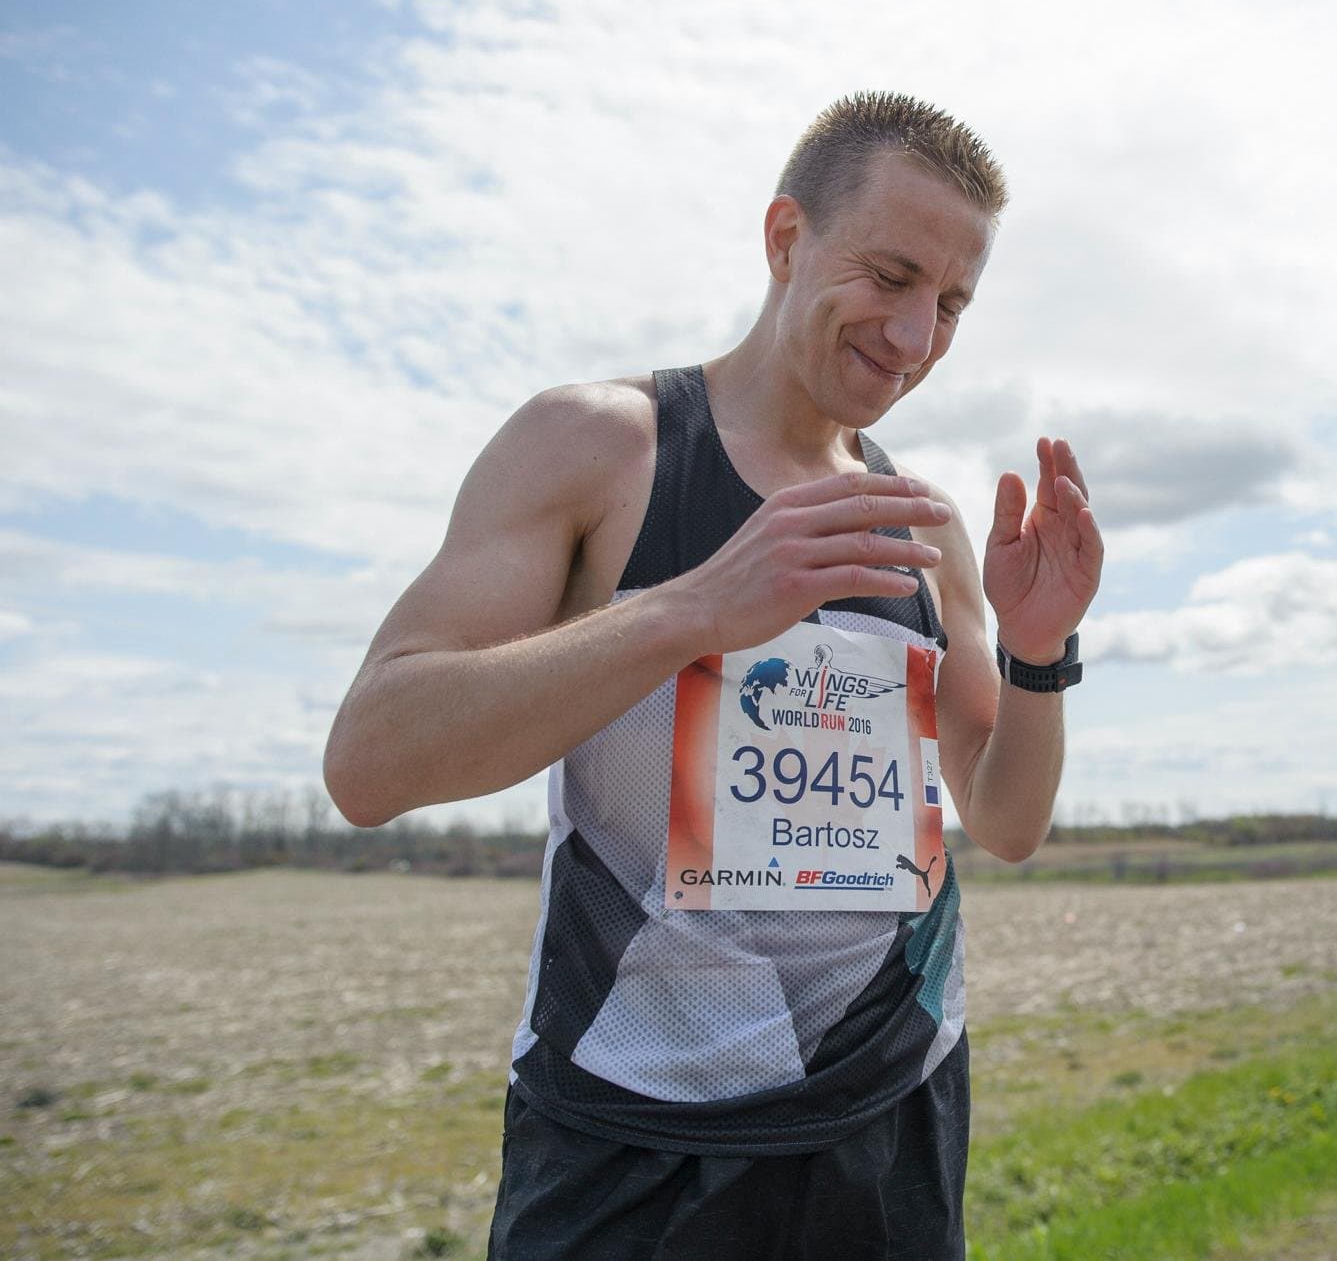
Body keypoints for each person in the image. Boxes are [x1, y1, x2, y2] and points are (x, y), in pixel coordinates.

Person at [322, 91, 1103, 1259]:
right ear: (785, 238)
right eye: (888, 275)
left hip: (892, 1113)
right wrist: (691, 610)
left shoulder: (924, 527)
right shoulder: (600, 445)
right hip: (634, 1127)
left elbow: (1003, 814)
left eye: (948, 304)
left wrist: (1039, 652)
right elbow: (371, 759)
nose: (912, 337)